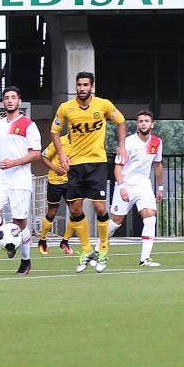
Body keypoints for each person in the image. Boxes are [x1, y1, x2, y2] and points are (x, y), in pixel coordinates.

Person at [50, 71, 127, 274]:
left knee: (100, 208)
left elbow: (121, 121)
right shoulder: (66, 108)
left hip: (97, 163)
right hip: (75, 164)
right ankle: (85, 251)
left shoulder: (103, 105)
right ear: (76, 86)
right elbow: (54, 132)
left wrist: (122, 146)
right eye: (79, 85)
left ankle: (103, 249)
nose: (82, 88)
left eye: (86, 85)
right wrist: (61, 153)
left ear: (92, 86)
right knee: (75, 210)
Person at [0, 86, 43, 275]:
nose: (9, 100)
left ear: (19, 101)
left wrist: (14, 162)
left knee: (20, 224)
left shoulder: (28, 125)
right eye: (6, 98)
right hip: (1, 178)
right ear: (3, 102)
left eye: (13, 97)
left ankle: (25, 261)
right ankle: (7, 235)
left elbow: (36, 154)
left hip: (20, 180)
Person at [94, 110, 164, 268]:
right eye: (140, 121)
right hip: (125, 184)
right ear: (137, 124)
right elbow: (117, 168)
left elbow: (158, 164)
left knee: (150, 218)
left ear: (152, 124)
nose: (143, 123)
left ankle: (144, 258)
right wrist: (122, 187)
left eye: (146, 121)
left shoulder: (157, 142)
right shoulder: (128, 142)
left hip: (144, 185)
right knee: (116, 221)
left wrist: (160, 187)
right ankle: (98, 248)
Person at [38, 134, 74, 256]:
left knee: (76, 212)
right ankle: (42, 241)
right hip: (55, 181)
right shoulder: (60, 141)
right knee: (52, 212)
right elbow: (43, 157)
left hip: (71, 182)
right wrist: (55, 168)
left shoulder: (81, 143)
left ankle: (65, 241)